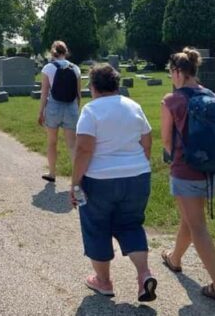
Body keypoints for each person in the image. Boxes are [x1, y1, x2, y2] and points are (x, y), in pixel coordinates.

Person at [70, 64, 157, 302]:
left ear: (93, 87)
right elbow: (147, 141)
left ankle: (104, 281)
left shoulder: (90, 111)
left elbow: (84, 149)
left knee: (96, 227)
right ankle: (143, 275)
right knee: (131, 225)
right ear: (117, 85)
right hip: (138, 176)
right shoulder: (134, 106)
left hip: (100, 180)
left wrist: (75, 182)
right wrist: (138, 165)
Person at [160, 47, 215, 302]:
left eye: (171, 72)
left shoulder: (171, 101)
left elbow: (167, 142)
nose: (171, 77)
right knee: (189, 219)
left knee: (197, 225)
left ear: (179, 73)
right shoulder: (211, 94)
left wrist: (176, 157)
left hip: (186, 172)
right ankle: (174, 258)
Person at [38, 40, 81, 182]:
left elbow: (44, 93)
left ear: (53, 52)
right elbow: (78, 94)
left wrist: (41, 112)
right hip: (71, 106)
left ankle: (52, 173)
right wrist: (77, 108)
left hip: (53, 107)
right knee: (72, 144)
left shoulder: (48, 68)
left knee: (52, 142)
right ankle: (78, 178)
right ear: (66, 52)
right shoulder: (75, 68)